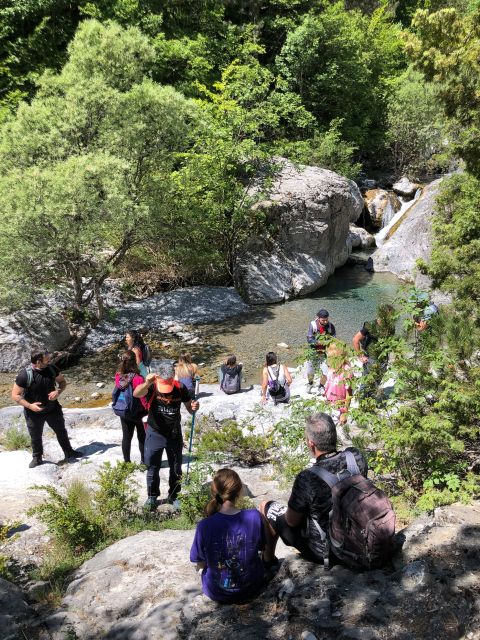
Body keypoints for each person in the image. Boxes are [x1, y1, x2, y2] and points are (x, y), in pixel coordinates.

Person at [259, 412, 367, 565]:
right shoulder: (355, 457)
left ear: (311, 443)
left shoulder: (308, 478)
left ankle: (268, 561)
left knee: (266, 506)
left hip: (329, 550)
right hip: (360, 536)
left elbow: (291, 521)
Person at [190, 468, 267, 603]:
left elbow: (200, 563)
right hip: (251, 587)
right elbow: (262, 548)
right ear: (239, 490)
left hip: (217, 592)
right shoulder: (255, 516)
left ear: (214, 492)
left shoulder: (204, 525)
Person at [133, 361, 199, 510]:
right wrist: (147, 382)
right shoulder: (152, 386)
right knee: (152, 467)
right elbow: (136, 393)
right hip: (154, 433)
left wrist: (194, 407)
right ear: (157, 376)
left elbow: (190, 408)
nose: (167, 389)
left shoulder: (180, 387)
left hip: (174, 434)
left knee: (176, 468)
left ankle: (174, 496)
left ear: (173, 376)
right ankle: (152, 497)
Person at [11, 351, 83, 468]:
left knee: (61, 431)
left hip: (53, 409)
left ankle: (69, 452)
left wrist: (58, 391)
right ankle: (37, 457)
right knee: (35, 435)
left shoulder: (52, 369)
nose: (50, 361)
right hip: (33, 412)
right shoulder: (25, 375)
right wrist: (30, 406)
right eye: (47, 360)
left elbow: (62, 382)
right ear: (38, 361)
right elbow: (15, 395)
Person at [114, 350, 147, 464]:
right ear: (135, 362)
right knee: (142, 437)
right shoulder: (138, 378)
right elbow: (142, 398)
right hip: (139, 413)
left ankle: (127, 462)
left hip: (125, 411)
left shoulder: (118, 376)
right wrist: (148, 408)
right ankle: (143, 462)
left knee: (126, 438)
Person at [306, 309, 336, 389]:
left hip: (325, 353)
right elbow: (309, 339)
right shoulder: (313, 325)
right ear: (318, 318)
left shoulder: (330, 326)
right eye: (323, 320)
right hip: (313, 351)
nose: (325, 322)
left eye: (326, 320)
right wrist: (319, 342)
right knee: (310, 370)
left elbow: (334, 339)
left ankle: (321, 386)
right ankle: (310, 383)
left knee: (326, 371)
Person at [324, 342, 352, 424]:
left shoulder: (346, 371)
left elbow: (349, 394)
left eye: (331, 357)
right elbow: (330, 384)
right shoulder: (331, 368)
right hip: (329, 403)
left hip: (339, 407)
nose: (329, 359)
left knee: (333, 429)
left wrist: (345, 412)